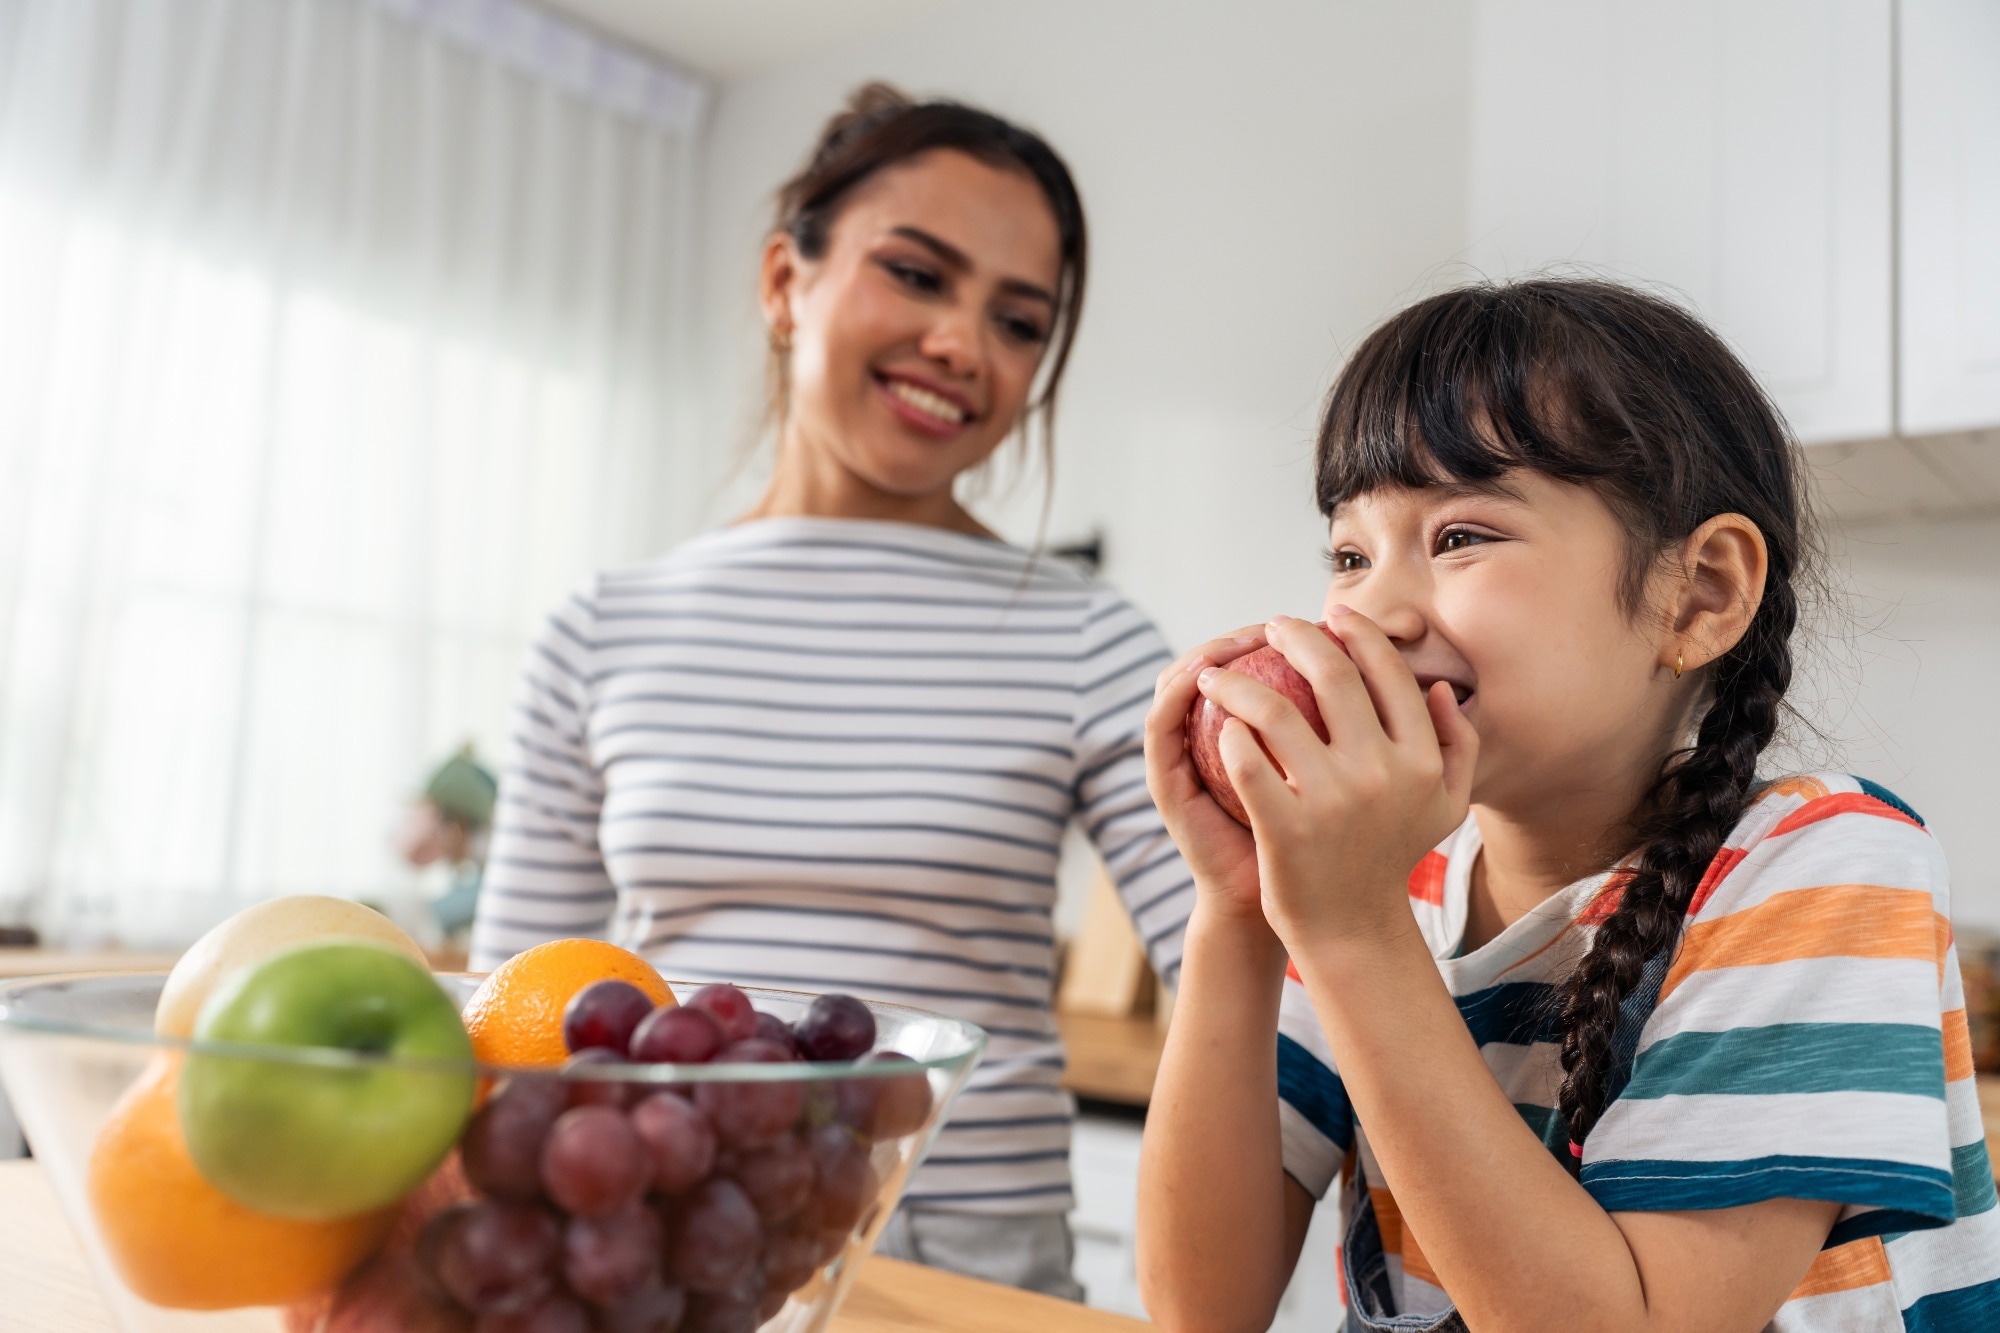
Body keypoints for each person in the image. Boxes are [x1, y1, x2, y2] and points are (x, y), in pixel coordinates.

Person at [1136, 279, 2000, 1331]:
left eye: (1459, 536)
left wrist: (1352, 930)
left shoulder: (1827, 867)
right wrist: (1237, 907)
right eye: (1349, 555)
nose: (1370, 609)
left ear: (1699, 595)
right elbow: (1199, 1305)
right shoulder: (1378, 884)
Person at [471, 84, 1194, 1299]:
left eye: (1019, 321)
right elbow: (516, 1026)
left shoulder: (1093, 639)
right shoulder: (600, 629)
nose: (964, 343)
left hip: (967, 1263)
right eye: (916, 275)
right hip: (667, 1245)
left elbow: (1252, 991)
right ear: (781, 281)